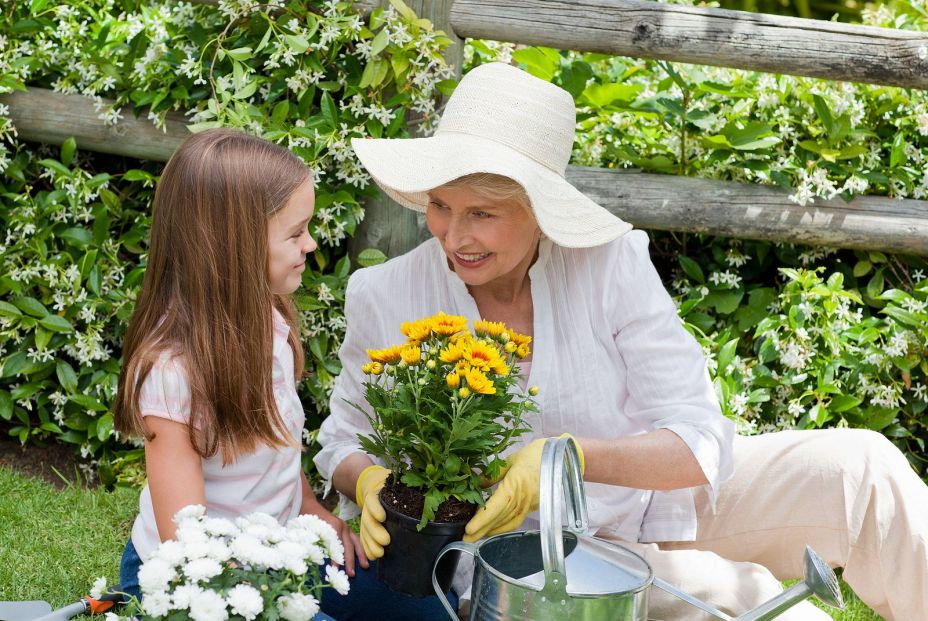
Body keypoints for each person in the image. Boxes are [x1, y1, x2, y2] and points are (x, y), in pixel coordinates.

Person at [315, 62, 928, 620]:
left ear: (540, 210)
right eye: (441, 206)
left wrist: (569, 458)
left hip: (654, 505)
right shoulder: (385, 293)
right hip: (525, 562)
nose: (454, 237)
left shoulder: (609, 264)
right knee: (756, 601)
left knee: (862, 469)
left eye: (483, 214)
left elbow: (699, 439)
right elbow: (342, 440)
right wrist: (368, 482)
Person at [113, 129, 366, 619]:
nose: (311, 243)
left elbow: (278, 451)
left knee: (423, 608)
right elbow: (186, 542)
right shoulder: (172, 371)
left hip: (278, 552)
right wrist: (270, 598)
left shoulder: (268, 322)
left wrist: (314, 513)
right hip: (206, 582)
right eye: (295, 233)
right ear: (236, 247)